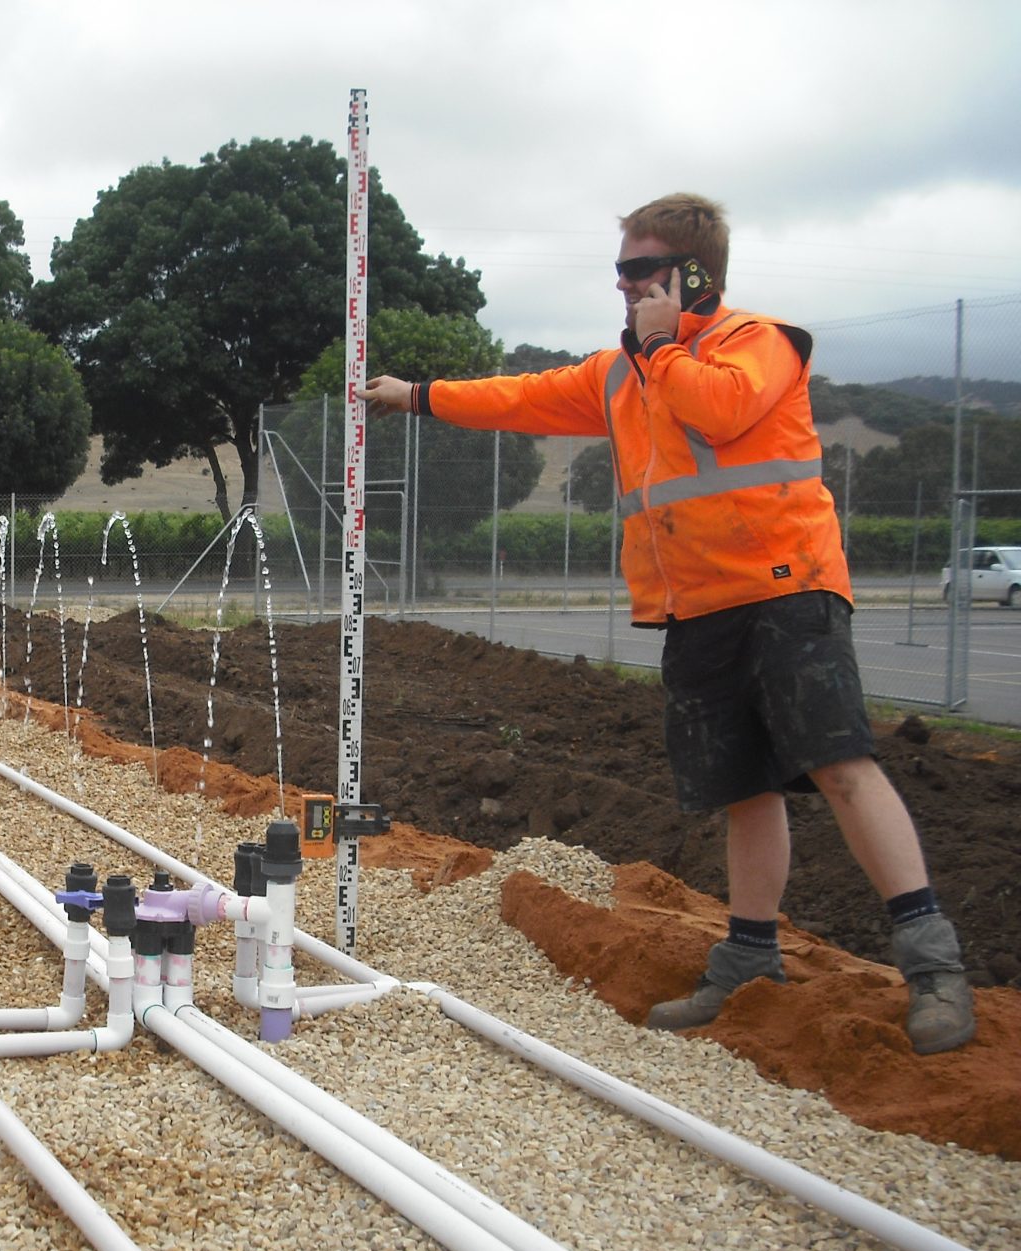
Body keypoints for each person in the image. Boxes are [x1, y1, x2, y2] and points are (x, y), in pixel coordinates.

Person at [356, 192, 975, 1055]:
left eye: (640, 270)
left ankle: (933, 964)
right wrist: (417, 396)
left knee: (840, 765)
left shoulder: (757, 344)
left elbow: (720, 410)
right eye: (620, 271)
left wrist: (659, 344)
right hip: (695, 607)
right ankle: (749, 958)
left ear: (692, 272)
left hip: (787, 589)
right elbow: (522, 397)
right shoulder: (619, 373)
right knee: (744, 790)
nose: (624, 285)